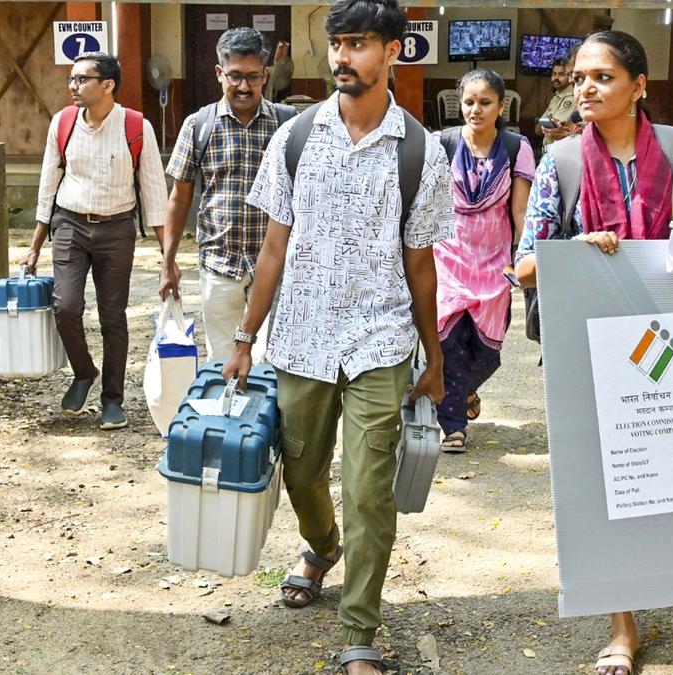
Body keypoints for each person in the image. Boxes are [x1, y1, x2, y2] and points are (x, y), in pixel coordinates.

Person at [514, 31, 673, 675]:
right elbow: (526, 266)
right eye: (580, 78)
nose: (586, 88)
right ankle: (623, 625)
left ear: (639, 85)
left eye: (604, 77)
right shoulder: (561, 164)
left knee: (665, 468)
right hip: (592, 345)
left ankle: (666, 574)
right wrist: (578, 250)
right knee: (606, 478)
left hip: (670, 342)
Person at [221, 0, 454, 671]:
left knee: (370, 487)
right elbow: (272, 249)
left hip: (380, 341)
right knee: (301, 470)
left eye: (358, 44)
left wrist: (433, 358)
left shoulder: (420, 152)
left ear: (392, 53)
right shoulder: (295, 137)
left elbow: (420, 264)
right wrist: (245, 337)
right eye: (337, 43)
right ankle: (322, 545)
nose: (343, 57)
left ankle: (361, 628)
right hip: (301, 337)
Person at [24, 52, 167, 430]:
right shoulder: (63, 123)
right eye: (71, 79)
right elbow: (47, 185)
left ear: (108, 85)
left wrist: (168, 259)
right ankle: (84, 371)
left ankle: (112, 400)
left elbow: (154, 193)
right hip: (69, 224)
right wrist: (36, 243)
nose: (73, 86)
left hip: (117, 228)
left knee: (113, 316)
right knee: (66, 306)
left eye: (82, 79)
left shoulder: (136, 127)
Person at [160, 27, 291, 359]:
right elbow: (179, 197)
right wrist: (168, 262)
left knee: (273, 363)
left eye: (253, 77)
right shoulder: (198, 125)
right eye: (234, 76)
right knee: (224, 361)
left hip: (275, 267)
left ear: (266, 75)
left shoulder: (287, 126)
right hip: (220, 265)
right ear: (219, 73)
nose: (244, 86)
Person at [433, 68, 535, 450]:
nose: (476, 110)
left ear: (501, 105)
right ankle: (454, 424)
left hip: (495, 264)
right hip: (449, 258)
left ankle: (465, 390)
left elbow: (521, 211)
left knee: (488, 349)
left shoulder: (515, 147)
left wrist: (523, 258)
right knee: (450, 341)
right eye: (469, 102)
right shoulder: (440, 144)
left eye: (485, 102)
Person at [537, 52, 577, 148]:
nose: (556, 78)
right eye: (554, 74)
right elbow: (538, 129)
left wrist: (548, 123)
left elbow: (556, 126)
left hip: (560, 149)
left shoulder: (572, 97)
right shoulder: (556, 97)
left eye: (561, 74)